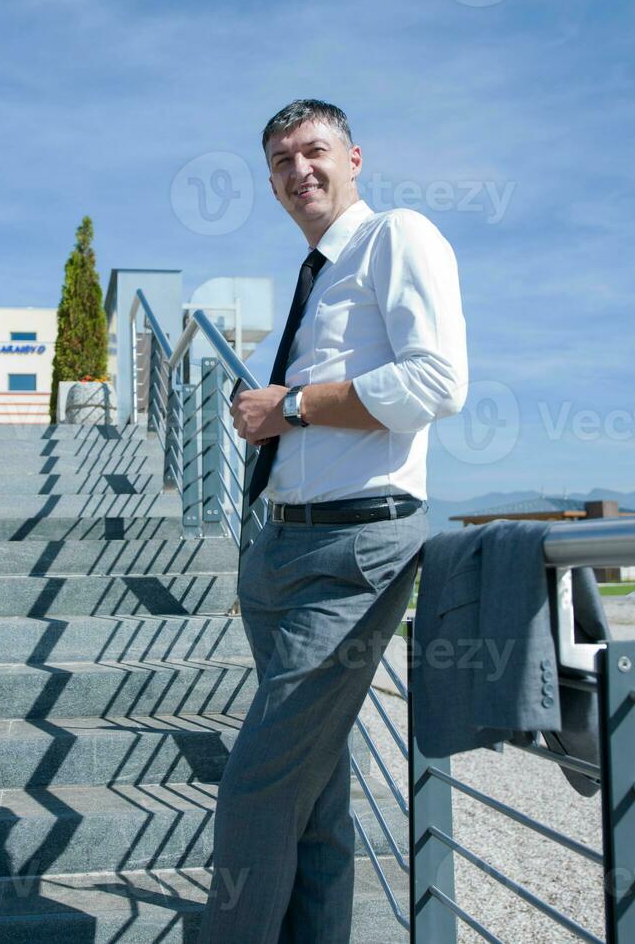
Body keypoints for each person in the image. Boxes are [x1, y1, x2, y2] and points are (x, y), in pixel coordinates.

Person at [198, 99, 468, 943]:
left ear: (355, 158)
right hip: (280, 548)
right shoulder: (315, 276)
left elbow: (437, 384)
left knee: (258, 781)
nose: (296, 170)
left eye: (312, 151)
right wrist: (273, 423)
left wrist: (296, 406)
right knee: (313, 787)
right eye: (279, 161)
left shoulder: (398, 238)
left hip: (356, 547)